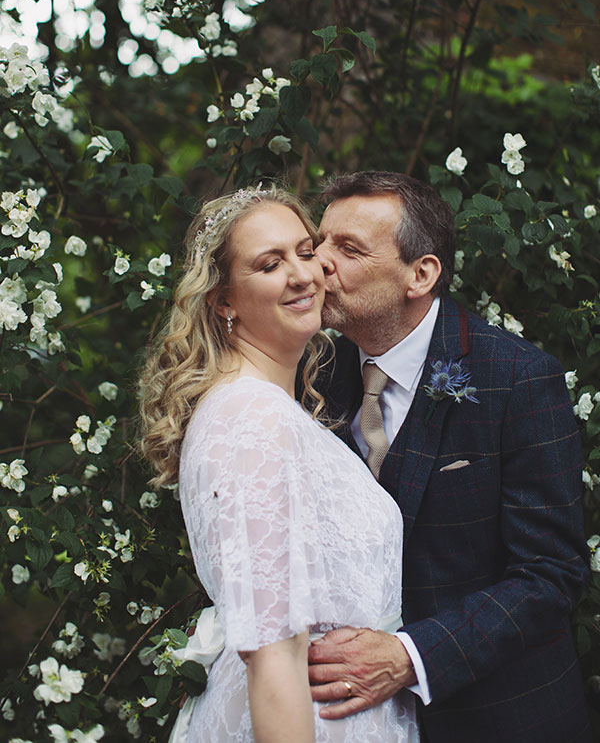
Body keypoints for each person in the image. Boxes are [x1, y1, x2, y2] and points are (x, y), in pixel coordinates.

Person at [307, 170, 592, 743]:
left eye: (349, 249)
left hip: (501, 717)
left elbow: (551, 574)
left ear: (421, 273)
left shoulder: (517, 379)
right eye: (320, 244)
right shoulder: (315, 375)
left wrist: (411, 657)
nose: (318, 264)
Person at [138, 185, 419, 743]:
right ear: (223, 300)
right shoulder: (250, 421)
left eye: (306, 250)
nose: (302, 275)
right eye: (270, 264)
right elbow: (272, 652)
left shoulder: (274, 412)